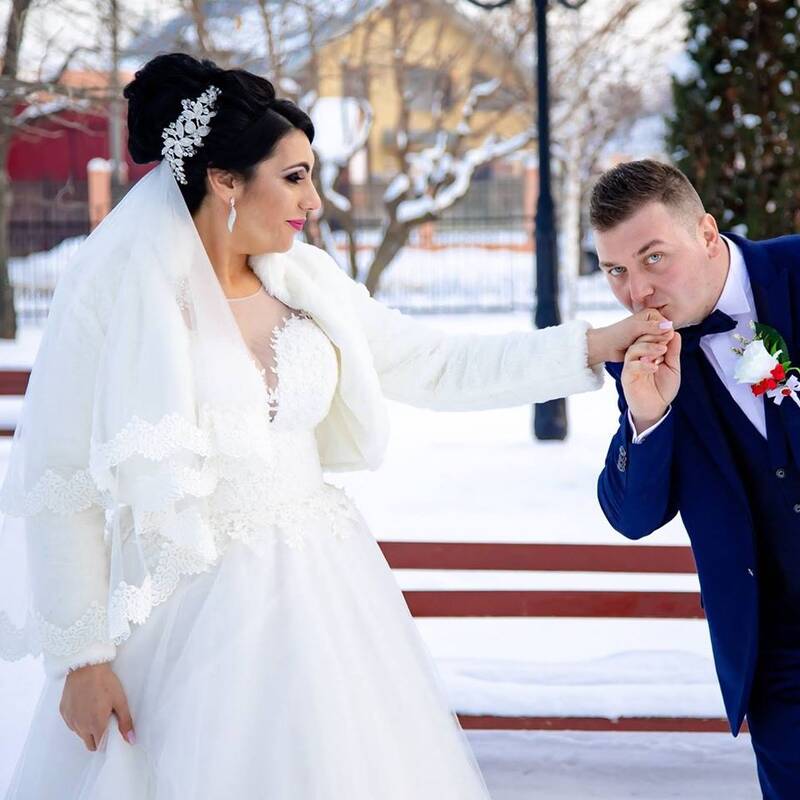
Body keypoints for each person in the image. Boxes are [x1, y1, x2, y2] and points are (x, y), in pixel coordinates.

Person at [0, 54, 667, 799]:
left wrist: (592, 345)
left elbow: (437, 364)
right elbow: (61, 482)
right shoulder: (124, 297)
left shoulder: (307, 282)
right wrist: (83, 660)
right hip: (182, 613)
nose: (313, 200)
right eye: (294, 177)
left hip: (324, 595)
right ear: (224, 179)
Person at [594, 158, 800, 799]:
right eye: (615, 271)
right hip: (780, 657)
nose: (637, 293)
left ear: (707, 233)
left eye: (653, 258)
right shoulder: (640, 362)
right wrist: (647, 414)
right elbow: (633, 517)